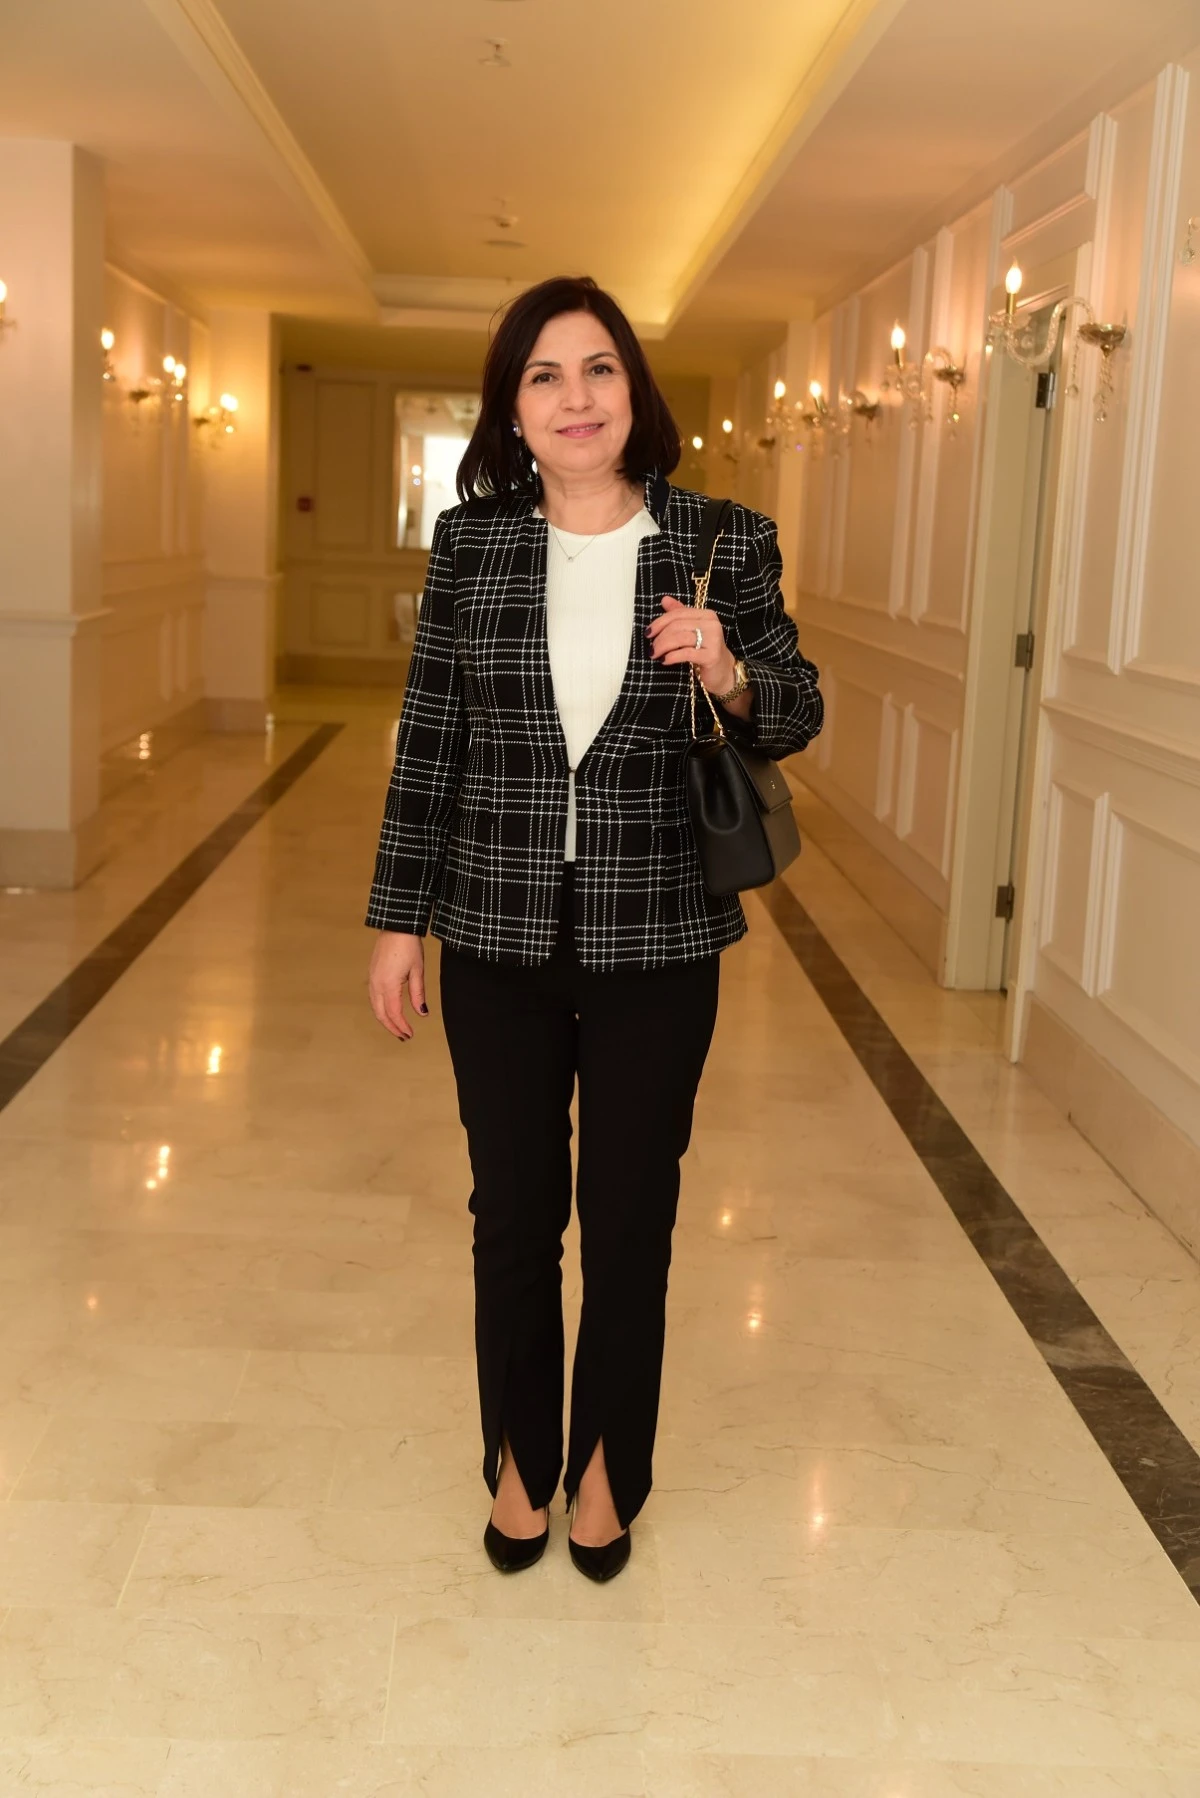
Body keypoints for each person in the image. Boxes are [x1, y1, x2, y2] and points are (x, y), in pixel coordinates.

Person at [366, 275, 822, 1582]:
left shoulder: (721, 539)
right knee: (512, 1216)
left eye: (599, 368)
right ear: (513, 409)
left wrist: (729, 666)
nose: (576, 397)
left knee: (631, 1221)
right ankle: (520, 1466)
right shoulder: (472, 546)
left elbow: (799, 707)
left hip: (659, 944)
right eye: (544, 375)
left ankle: (609, 1472)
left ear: (636, 388)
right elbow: (430, 744)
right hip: (495, 940)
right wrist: (399, 921)